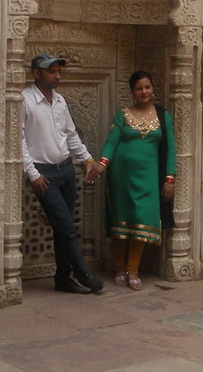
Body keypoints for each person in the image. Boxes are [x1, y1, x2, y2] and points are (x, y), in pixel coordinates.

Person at [21, 53, 105, 294]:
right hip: (44, 176)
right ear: (36, 73)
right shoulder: (24, 100)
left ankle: (62, 279)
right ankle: (83, 274)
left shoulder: (59, 101)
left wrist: (87, 160)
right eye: (52, 72)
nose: (57, 76)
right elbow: (18, 139)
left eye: (59, 71)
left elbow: (70, 134)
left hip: (66, 170)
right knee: (67, 228)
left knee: (63, 228)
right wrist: (33, 174)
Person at [91, 71, 175, 291]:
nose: (144, 91)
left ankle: (133, 269)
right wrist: (102, 163)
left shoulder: (163, 116)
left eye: (147, 87)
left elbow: (171, 149)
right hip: (120, 176)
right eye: (139, 88)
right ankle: (119, 268)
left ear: (153, 89)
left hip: (149, 178)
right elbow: (112, 141)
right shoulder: (123, 115)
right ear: (132, 92)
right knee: (121, 220)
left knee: (141, 218)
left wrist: (169, 178)